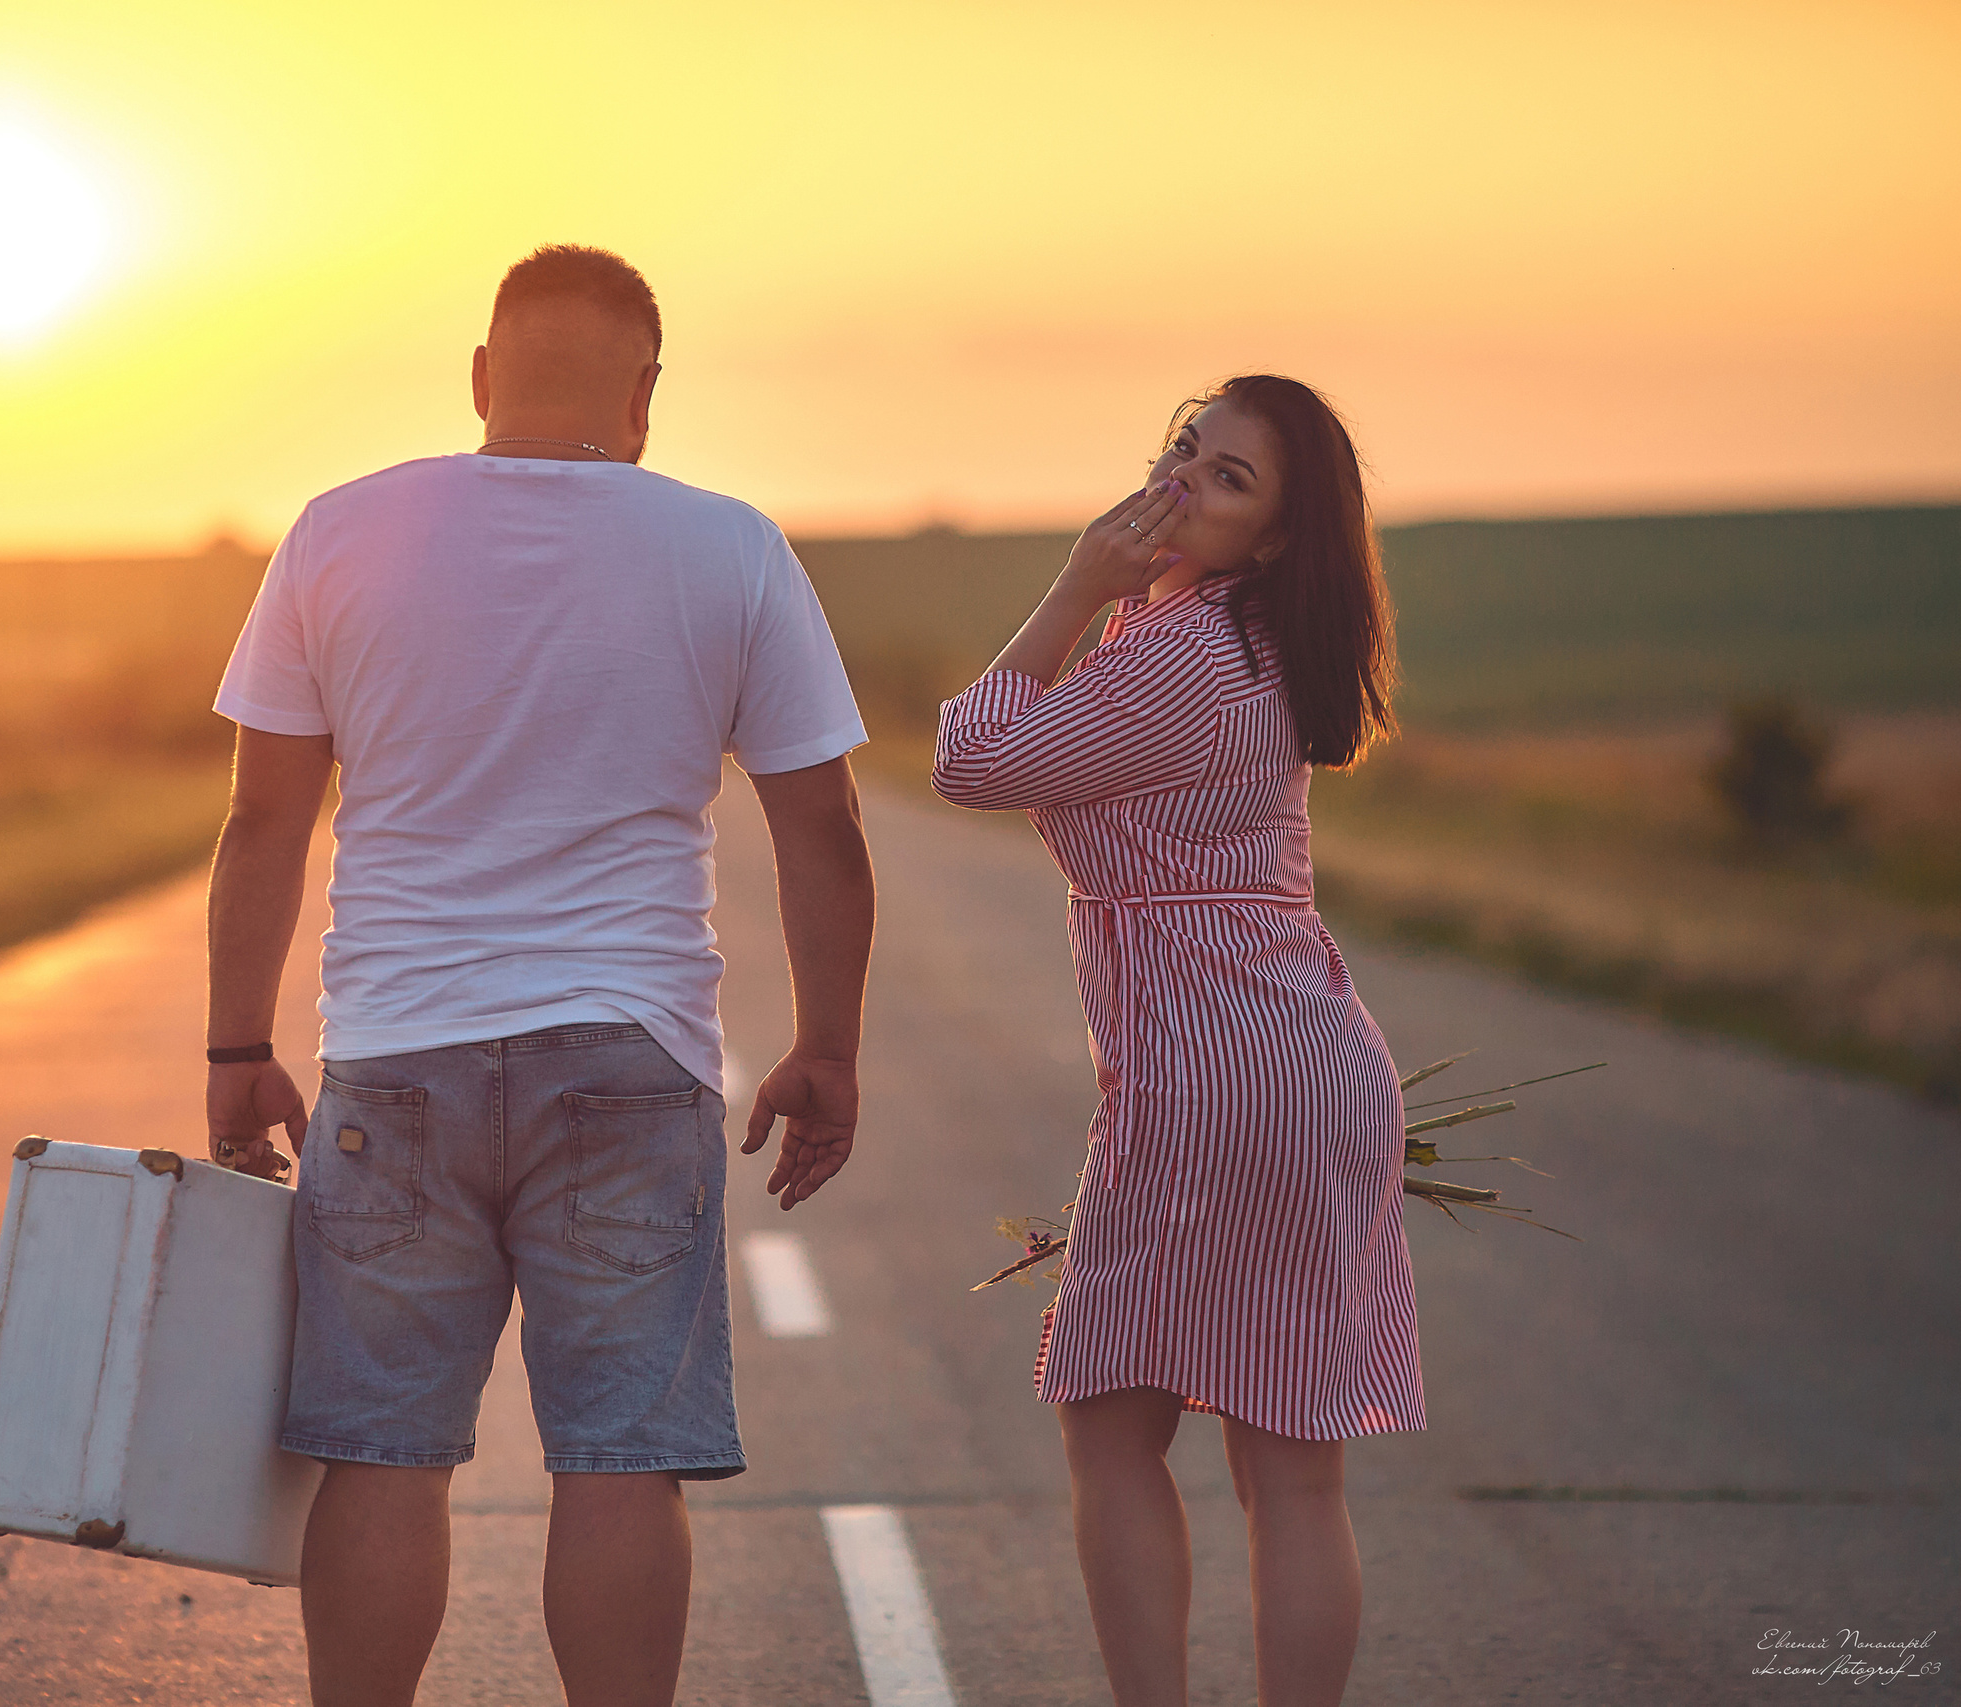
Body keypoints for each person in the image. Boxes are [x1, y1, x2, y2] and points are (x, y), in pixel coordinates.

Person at [202, 243, 877, 1707]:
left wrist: (233, 1047)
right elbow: (819, 829)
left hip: (396, 1062)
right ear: (644, 399)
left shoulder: (341, 531)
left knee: (382, 1455)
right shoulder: (730, 546)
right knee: (622, 1461)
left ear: (482, 380)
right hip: (629, 1061)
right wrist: (826, 1047)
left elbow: (264, 815)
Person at [929, 374, 1423, 1707]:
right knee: (1291, 1465)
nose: (1181, 482)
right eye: (1183, 451)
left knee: (1111, 1422)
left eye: (1227, 479)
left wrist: (1073, 586)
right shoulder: (1249, 642)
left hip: (1212, 1080)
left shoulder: (1179, 653)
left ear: (1272, 540)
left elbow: (972, 760)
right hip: (1309, 1059)